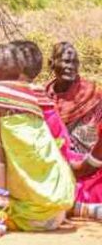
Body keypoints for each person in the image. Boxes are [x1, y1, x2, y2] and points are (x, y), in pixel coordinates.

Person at [0, 44, 76, 238]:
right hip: (57, 206)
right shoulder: (29, 96)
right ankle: (81, 209)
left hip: (32, 217)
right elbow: (20, 161)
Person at [44, 42, 102, 218]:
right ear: (51, 63)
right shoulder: (42, 97)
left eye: (74, 62)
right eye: (65, 61)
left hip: (90, 165)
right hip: (53, 166)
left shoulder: (94, 96)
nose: (70, 67)